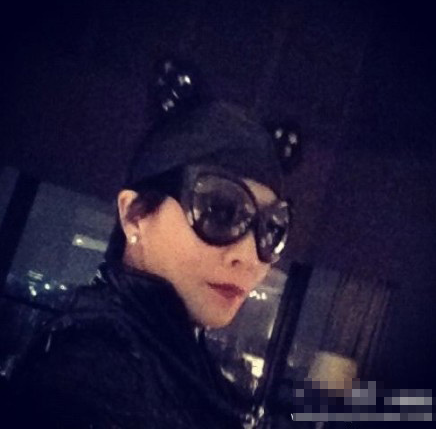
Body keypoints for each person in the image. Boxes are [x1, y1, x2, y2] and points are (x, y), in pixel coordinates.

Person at [9, 100, 291, 428]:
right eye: (219, 210)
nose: (251, 257)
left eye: (272, 228)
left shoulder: (180, 359)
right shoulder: (90, 373)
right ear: (134, 215)